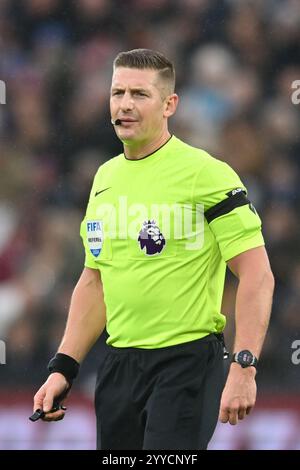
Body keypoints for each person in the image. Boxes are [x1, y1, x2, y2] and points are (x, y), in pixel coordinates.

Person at [33, 48, 274, 450]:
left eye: (139, 94)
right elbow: (95, 281)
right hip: (119, 365)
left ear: (169, 105)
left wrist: (244, 366)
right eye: (117, 92)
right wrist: (63, 367)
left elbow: (257, 273)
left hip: (187, 361)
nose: (125, 104)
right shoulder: (104, 178)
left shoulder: (206, 174)